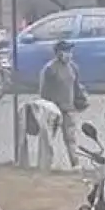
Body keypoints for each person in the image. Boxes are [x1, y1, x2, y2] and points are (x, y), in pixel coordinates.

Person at [38, 39, 85, 169]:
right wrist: (48, 108)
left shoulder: (73, 68)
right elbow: (44, 91)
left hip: (69, 109)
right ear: (58, 53)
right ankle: (46, 165)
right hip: (53, 110)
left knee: (71, 139)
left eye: (70, 51)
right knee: (48, 139)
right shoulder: (50, 69)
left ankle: (75, 164)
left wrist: (81, 100)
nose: (69, 54)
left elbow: (76, 87)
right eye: (66, 51)